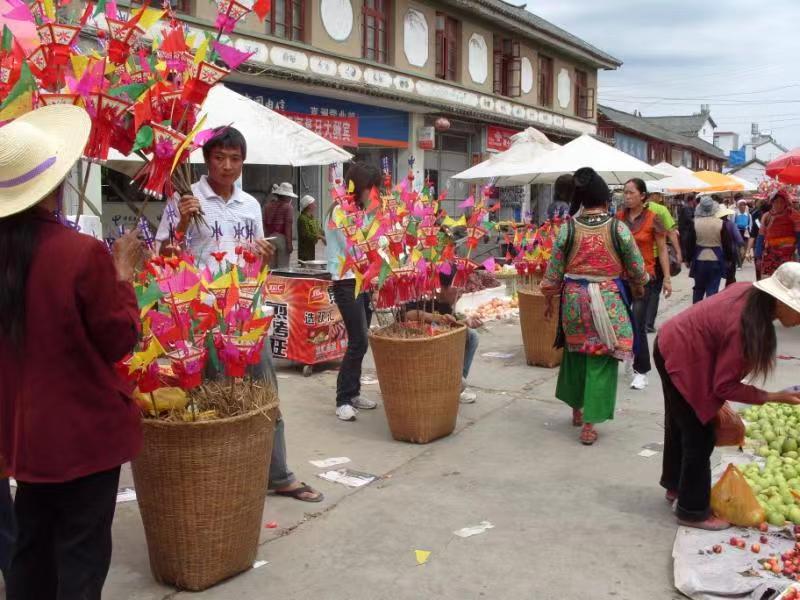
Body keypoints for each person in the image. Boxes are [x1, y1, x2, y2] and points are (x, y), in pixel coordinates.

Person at [0, 105, 142, 598]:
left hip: (24, 435)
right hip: (83, 435)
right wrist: (122, 273)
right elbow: (119, 339)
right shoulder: (81, 253)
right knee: (81, 559)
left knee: (31, 551)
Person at [155, 127, 322, 502]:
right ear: (206, 159)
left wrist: (264, 254)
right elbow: (164, 258)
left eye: (235, 159)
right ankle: (219, 476)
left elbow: (256, 257)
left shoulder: (249, 204)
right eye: (219, 158)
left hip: (247, 312)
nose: (227, 166)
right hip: (203, 316)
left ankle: (278, 475)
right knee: (212, 398)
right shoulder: (184, 200)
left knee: (265, 391)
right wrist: (181, 224)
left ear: (243, 162)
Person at [656, 262, 800, 530]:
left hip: (674, 344)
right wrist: (773, 396)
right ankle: (692, 511)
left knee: (681, 423)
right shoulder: (745, 328)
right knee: (700, 435)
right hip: (680, 355)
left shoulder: (751, 296)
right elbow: (723, 387)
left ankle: (676, 486)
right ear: (782, 302)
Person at [541, 168, 649, 445]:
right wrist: (640, 283)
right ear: (604, 198)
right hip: (608, 300)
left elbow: (552, 272)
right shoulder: (618, 228)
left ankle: (576, 410)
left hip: (574, 299)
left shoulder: (568, 228)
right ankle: (589, 424)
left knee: (576, 352)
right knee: (600, 358)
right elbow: (637, 268)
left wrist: (549, 298)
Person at [326, 162, 382, 421]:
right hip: (346, 280)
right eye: (370, 188)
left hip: (363, 280)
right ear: (359, 187)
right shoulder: (340, 212)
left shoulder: (362, 212)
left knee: (361, 340)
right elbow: (354, 247)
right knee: (358, 339)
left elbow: (372, 243)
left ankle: (354, 391)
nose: (373, 193)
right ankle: (343, 399)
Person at [617, 178, 672, 391]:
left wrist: (667, 277)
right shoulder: (619, 218)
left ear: (642, 195)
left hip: (644, 278)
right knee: (622, 322)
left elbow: (663, 249)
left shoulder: (654, 218)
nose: (627, 196)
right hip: (621, 277)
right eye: (625, 192)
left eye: (631, 192)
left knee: (638, 323)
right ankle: (628, 355)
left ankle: (642, 371)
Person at [401, 267, 482, 404]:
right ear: (442, 287)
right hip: (415, 343)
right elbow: (407, 315)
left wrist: (464, 323)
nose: (462, 290)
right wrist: (436, 318)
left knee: (472, 335)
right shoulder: (422, 292)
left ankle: (455, 385)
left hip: (438, 340)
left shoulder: (447, 302)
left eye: (463, 285)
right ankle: (446, 385)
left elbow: (447, 324)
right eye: (458, 286)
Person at [644, 192, 683, 333]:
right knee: (654, 290)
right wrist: (678, 252)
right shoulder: (660, 210)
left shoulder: (632, 210)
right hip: (657, 256)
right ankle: (648, 323)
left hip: (638, 257)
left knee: (641, 289)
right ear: (652, 195)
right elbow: (671, 232)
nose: (660, 198)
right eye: (659, 195)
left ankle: (639, 320)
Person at [685, 197, 727, 303]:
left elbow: (689, 243)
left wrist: (688, 259)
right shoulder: (721, 223)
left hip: (699, 259)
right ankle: (710, 315)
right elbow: (727, 244)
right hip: (716, 259)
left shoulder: (694, 223)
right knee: (712, 290)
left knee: (698, 289)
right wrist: (729, 259)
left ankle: (696, 314)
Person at [761, 190, 800, 278]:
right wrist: (758, 253)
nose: (778, 205)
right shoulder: (767, 216)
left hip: (787, 256)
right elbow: (761, 235)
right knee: (769, 281)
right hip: (770, 255)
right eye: (776, 202)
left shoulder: (794, 215)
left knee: (786, 280)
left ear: (785, 203)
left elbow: (799, 235)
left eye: (781, 202)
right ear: (772, 203)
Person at [263, 182, 297, 268]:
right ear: (286, 196)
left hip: (270, 238)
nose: (290, 199)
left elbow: (265, 225)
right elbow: (288, 226)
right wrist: (289, 244)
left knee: (271, 267)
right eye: (289, 196)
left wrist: (266, 240)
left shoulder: (267, 206)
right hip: (282, 239)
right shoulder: (288, 207)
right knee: (283, 267)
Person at [717, 205, 744, 287]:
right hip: (730, 253)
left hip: (716, 253)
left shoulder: (714, 225)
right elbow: (738, 239)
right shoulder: (731, 224)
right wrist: (742, 247)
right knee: (731, 277)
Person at [297, 194, 325, 262]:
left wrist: (326, 234)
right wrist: (320, 237)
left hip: (311, 248)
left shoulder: (312, 217)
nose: (315, 206)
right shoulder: (302, 219)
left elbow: (318, 229)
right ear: (309, 206)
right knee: (306, 267)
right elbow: (306, 235)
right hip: (304, 250)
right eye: (313, 204)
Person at [678, 194, 697, 263]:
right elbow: (689, 219)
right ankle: (685, 259)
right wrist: (696, 221)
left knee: (687, 244)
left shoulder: (689, 207)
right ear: (692, 200)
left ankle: (687, 258)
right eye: (694, 199)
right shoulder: (686, 208)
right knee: (685, 244)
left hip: (687, 230)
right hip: (685, 230)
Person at [734, 198, 752, 269]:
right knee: (737, 249)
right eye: (741, 205)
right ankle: (739, 264)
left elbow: (750, 224)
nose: (743, 206)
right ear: (738, 206)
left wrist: (749, 231)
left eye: (744, 205)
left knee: (744, 250)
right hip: (737, 232)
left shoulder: (748, 215)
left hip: (745, 232)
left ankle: (740, 262)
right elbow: (733, 223)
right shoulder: (735, 214)